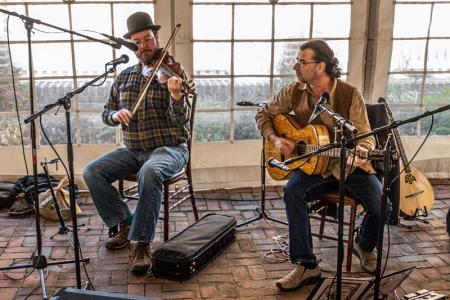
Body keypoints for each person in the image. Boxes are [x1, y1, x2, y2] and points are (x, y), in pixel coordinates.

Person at [255, 39, 386, 291]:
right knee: (293, 191)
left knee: (382, 205)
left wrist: (362, 151)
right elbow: (263, 113)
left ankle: (364, 245)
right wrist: (275, 138)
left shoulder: (350, 94)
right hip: (314, 167)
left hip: (348, 166)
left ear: (320, 67)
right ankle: (306, 264)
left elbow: (366, 136)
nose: (296, 66)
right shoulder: (293, 91)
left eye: (302, 61)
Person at [82, 11, 190, 275]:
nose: (144, 46)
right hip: (132, 150)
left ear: (156, 38)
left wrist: (175, 95)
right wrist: (114, 115)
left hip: (169, 148)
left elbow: (181, 122)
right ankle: (125, 222)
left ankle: (141, 243)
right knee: (92, 172)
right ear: (132, 44)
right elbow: (107, 112)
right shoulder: (125, 76)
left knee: (150, 171)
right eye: (138, 41)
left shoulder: (171, 72)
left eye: (148, 39)